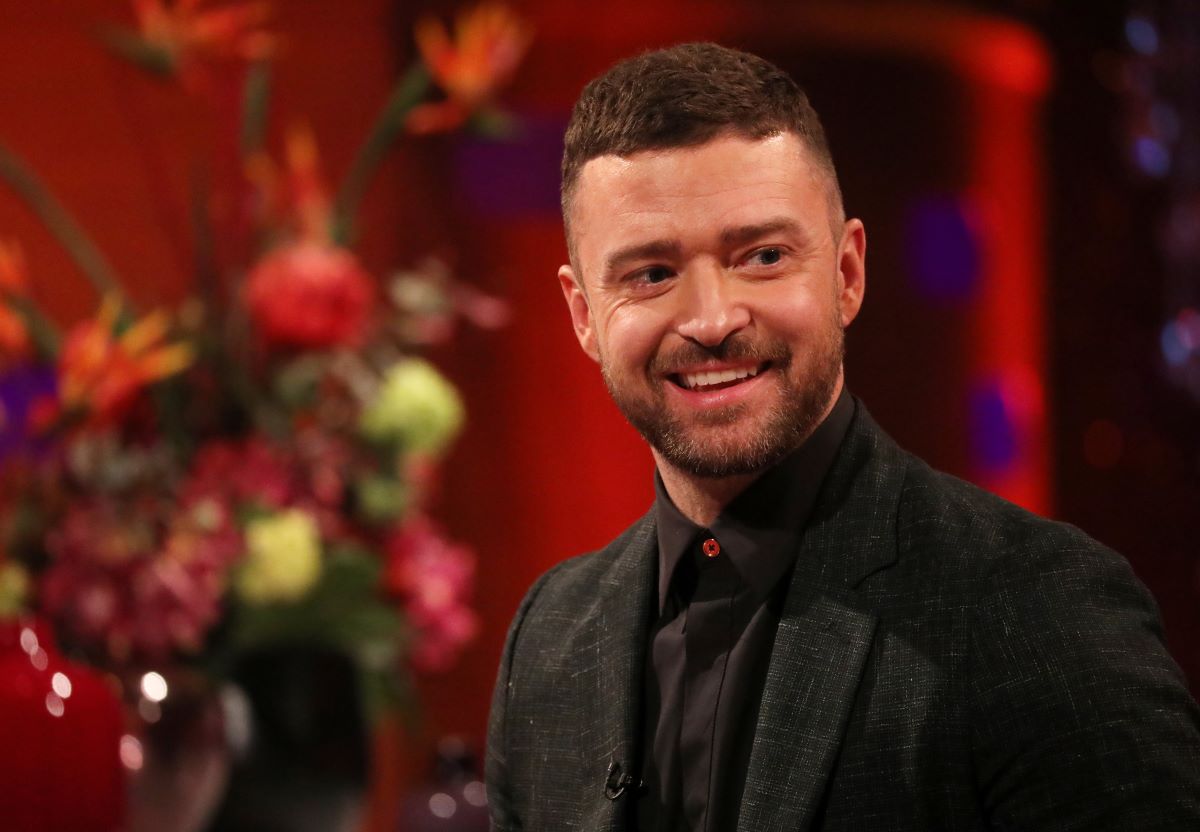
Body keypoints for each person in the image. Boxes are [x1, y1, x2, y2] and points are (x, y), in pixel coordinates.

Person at [485, 43, 1200, 831]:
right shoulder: (549, 636)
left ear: (848, 273)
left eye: (761, 256)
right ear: (584, 316)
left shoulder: (1037, 608)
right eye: (651, 274)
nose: (712, 319)